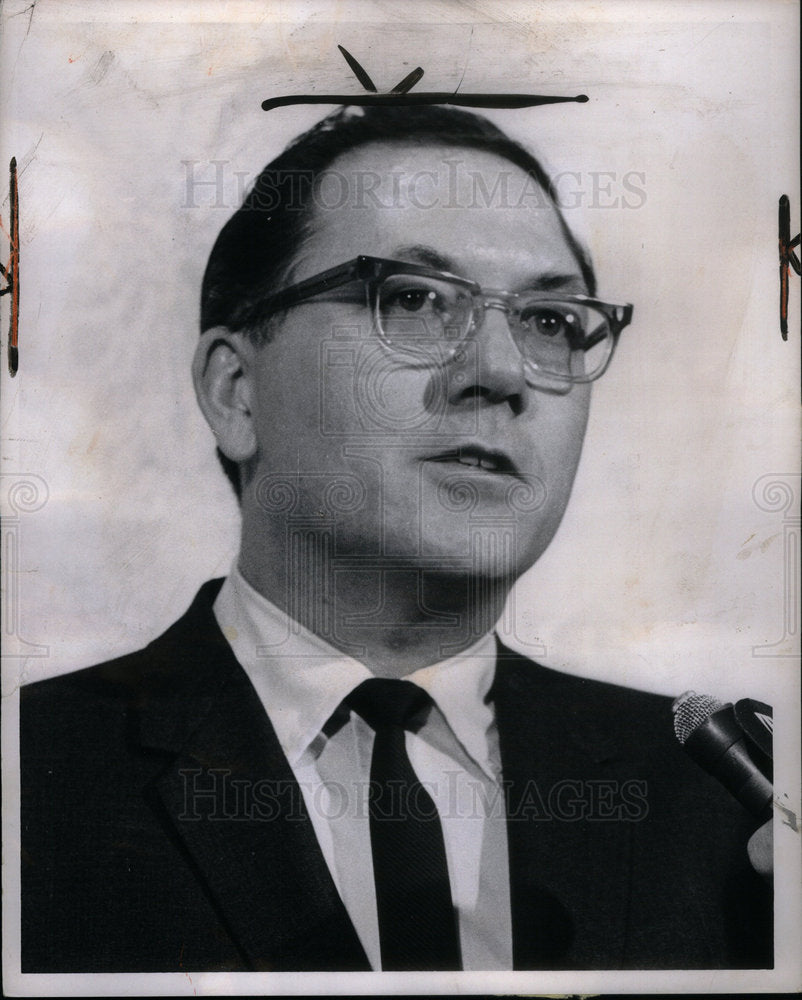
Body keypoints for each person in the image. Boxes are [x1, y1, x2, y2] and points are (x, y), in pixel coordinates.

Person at [20, 105, 772, 973]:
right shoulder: (31, 777)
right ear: (237, 392)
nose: (497, 375)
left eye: (550, 322)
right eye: (413, 300)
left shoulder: (732, 808)